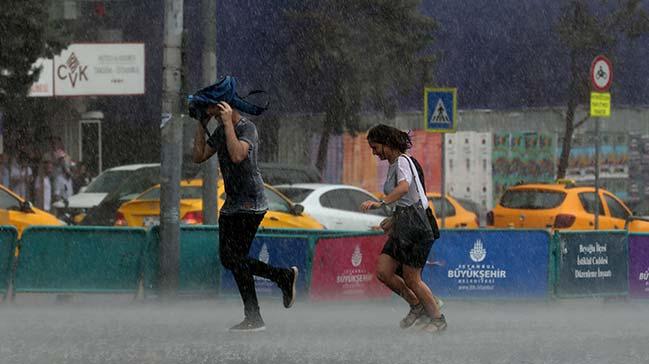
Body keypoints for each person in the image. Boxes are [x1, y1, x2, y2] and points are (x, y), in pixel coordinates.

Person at [191, 76, 298, 333]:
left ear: (226, 107)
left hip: (251, 203)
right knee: (230, 260)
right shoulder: (219, 130)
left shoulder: (248, 128)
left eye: (214, 108)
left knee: (236, 258)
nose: (213, 113)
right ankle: (279, 280)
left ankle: (256, 313)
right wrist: (200, 124)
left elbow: (238, 155)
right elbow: (198, 156)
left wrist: (228, 123)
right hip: (232, 203)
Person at [360, 124, 447, 333]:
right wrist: (392, 218)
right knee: (383, 271)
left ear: (387, 143)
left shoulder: (401, 161)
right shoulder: (394, 164)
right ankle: (417, 306)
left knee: (412, 278)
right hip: (404, 224)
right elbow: (409, 198)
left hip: (417, 226)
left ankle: (437, 319)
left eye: (375, 147)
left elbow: (404, 188)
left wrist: (381, 203)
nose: (374, 152)